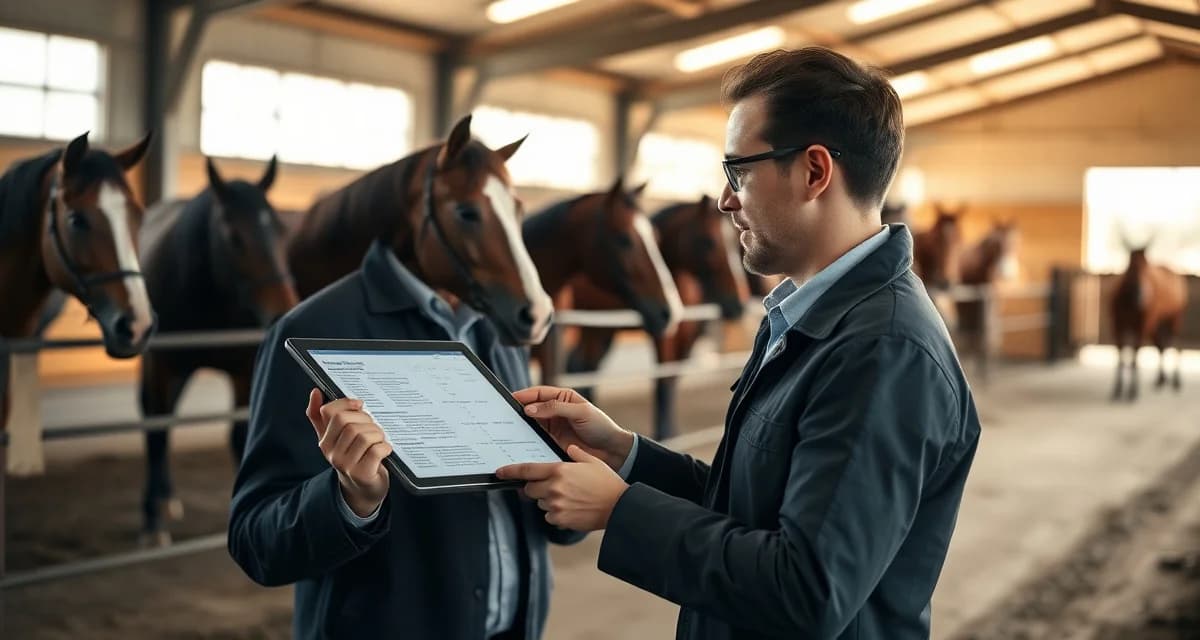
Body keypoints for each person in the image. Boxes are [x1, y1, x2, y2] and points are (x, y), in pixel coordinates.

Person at [497, 46, 982, 640]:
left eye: (739, 172)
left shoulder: (882, 349)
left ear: (813, 172)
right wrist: (624, 454)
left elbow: (807, 588)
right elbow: (754, 512)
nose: (727, 199)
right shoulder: (812, 316)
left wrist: (619, 511)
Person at [226, 142, 585, 638]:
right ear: (421, 210)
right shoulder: (314, 331)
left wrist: (568, 487)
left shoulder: (493, 329)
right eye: (470, 216)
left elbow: (530, 501)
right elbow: (256, 541)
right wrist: (350, 499)